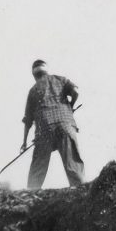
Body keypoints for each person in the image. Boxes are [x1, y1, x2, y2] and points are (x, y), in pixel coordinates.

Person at [21, 60, 84, 189]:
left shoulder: (33, 90)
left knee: (37, 170)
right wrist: (70, 107)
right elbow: (76, 92)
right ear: (46, 70)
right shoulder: (60, 80)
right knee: (74, 168)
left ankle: (31, 195)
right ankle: (81, 193)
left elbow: (28, 121)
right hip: (66, 126)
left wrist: (24, 142)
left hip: (44, 130)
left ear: (34, 75)